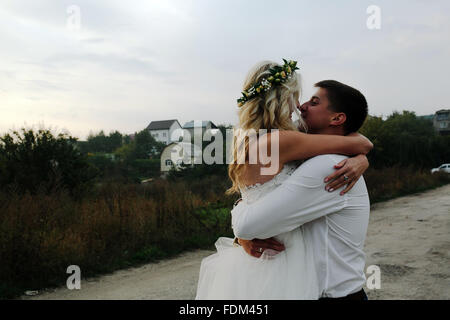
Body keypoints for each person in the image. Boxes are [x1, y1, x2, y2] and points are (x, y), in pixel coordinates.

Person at [195, 60, 372, 299]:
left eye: (314, 101)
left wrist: (243, 230)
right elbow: (358, 142)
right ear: (280, 99)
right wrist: (362, 152)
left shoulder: (327, 165)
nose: (301, 106)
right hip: (293, 277)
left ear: (337, 118)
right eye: (298, 97)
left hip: (329, 292)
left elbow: (251, 217)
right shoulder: (283, 143)